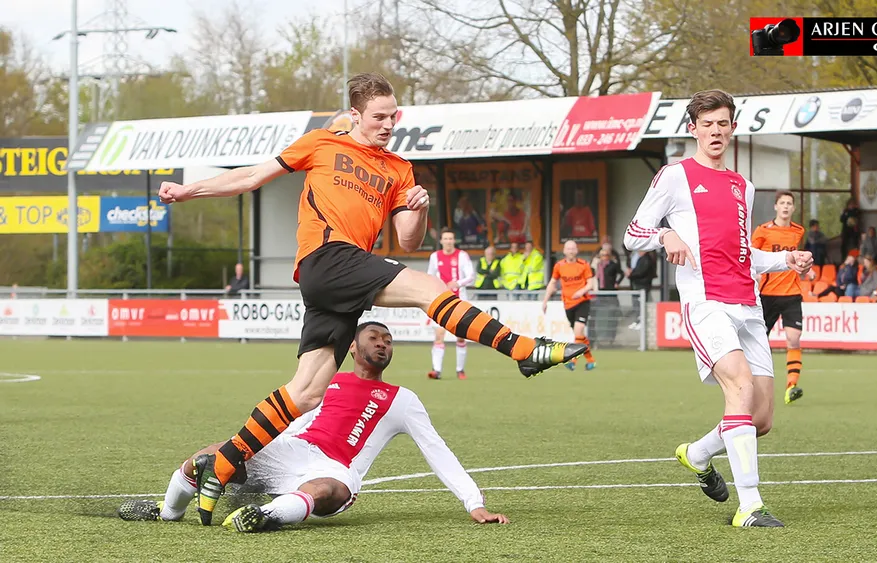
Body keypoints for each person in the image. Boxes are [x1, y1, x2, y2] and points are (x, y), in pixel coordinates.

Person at [157, 73, 585, 525]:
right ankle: (522, 350)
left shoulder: (399, 169)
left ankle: (226, 461)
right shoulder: (322, 143)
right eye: (379, 116)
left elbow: (408, 239)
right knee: (428, 289)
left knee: (307, 392)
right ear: (356, 115)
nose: (388, 124)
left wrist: (420, 208)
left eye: (393, 116)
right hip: (326, 257)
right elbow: (251, 176)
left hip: (344, 280)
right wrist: (187, 191)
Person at [623, 89, 812, 528]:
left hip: (748, 303)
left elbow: (744, 254)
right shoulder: (674, 176)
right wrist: (665, 235)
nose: (715, 131)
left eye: (722, 123)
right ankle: (750, 506)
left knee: (761, 418)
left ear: (732, 129)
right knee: (740, 386)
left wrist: (786, 259)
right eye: (706, 124)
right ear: (693, 129)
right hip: (705, 303)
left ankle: (698, 453)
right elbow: (633, 234)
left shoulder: (744, 186)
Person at [117, 322, 509, 532]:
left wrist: (473, 503)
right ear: (352, 347)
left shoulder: (401, 399)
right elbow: (292, 416)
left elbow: (437, 450)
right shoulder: (327, 379)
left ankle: (263, 516)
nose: (383, 344)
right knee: (208, 456)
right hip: (292, 449)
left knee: (325, 491)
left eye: (388, 341)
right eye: (374, 337)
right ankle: (168, 512)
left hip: (335, 468)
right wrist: (256, 454)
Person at [750, 190, 806, 405]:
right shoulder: (763, 231)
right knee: (758, 341)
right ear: (776, 206)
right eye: (782, 203)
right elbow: (751, 256)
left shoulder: (798, 231)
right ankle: (752, 383)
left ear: (793, 208)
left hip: (792, 293)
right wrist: (755, 275)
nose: (785, 206)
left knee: (793, 337)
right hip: (768, 294)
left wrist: (806, 268)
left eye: (789, 203)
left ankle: (791, 386)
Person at [427, 228, 476, 380]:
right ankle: (436, 370)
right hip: (441, 300)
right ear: (441, 241)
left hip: (459, 301)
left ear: (454, 241)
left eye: (450, 239)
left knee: (460, 336)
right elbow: (430, 276)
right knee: (439, 335)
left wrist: (458, 283)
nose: (448, 241)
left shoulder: (462, 256)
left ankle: (460, 370)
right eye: (446, 239)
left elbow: (471, 276)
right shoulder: (435, 257)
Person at [542, 240, 599, 371]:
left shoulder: (584, 265)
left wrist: (581, 292)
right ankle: (591, 361)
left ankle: (572, 361)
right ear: (564, 251)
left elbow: (590, 284)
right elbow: (552, 283)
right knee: (580, 336)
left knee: (578, 330)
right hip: (568, 304)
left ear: (577, 250)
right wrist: (545, 301)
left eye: (573, 248)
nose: (571, 251)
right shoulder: (559, 266)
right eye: (568, 249)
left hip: (582, 302)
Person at [627, 250, 656, 330]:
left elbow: (640, 272)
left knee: (641, 304)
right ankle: (637, 320)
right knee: (636, 304)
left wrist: (631, 274)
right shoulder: (640, 259)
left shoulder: (646, 259)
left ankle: (642, 322)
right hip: (637, 285)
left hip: (642, 285)